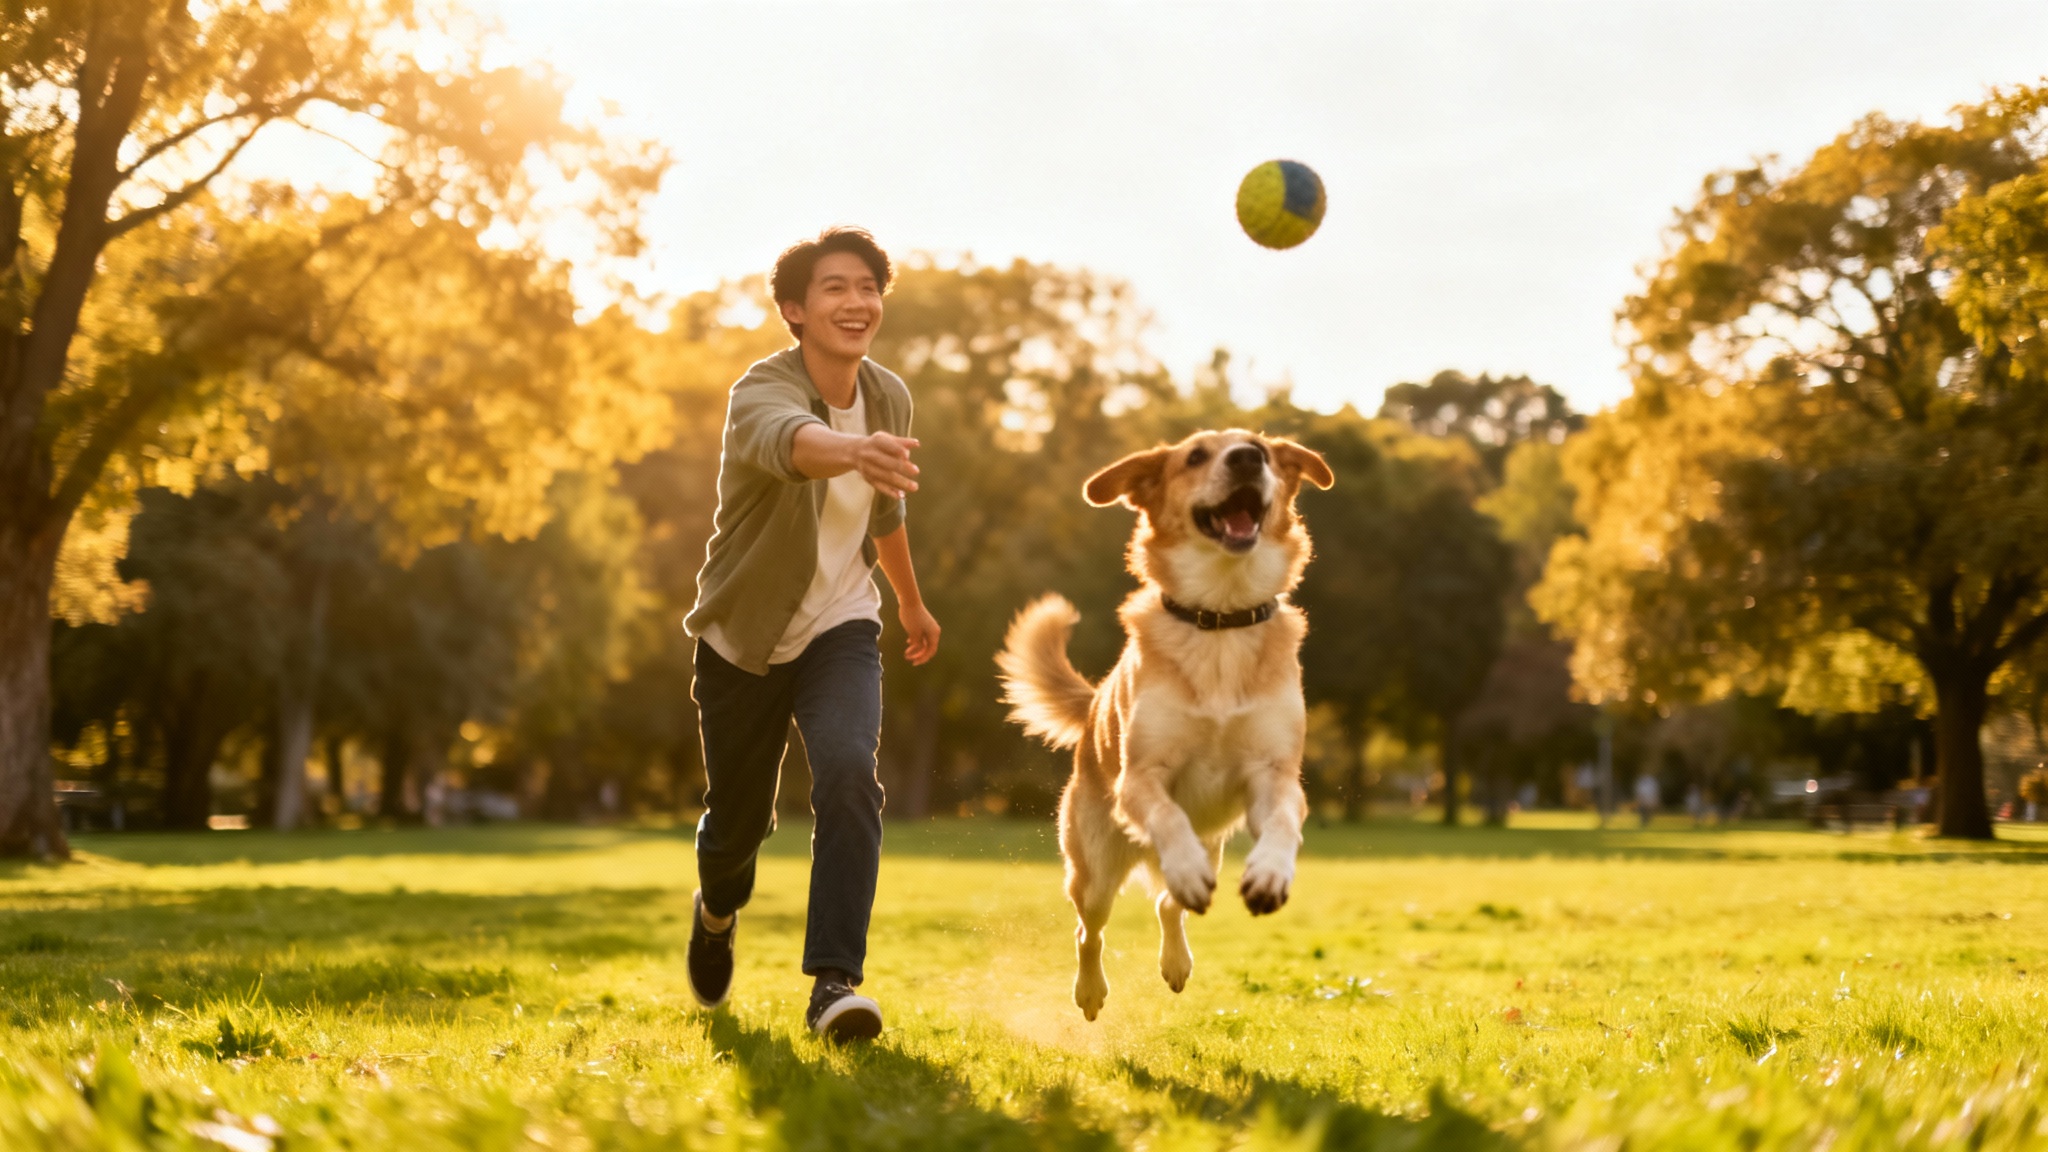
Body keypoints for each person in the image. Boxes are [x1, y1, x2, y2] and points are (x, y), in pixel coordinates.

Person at [681, 227, 941, 1042]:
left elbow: (887, 508)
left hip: (841, 626)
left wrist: (909, 603)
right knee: (739, 826)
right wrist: (853, 449)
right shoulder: (760, 389)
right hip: (743, 637)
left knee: (845, 774)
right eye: (834, 287)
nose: (856, 302)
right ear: (795, 309)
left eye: (867, 286)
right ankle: (717, 911)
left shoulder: (889, 395)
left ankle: (834, 985)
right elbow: (793, 445)